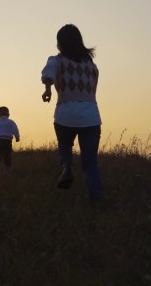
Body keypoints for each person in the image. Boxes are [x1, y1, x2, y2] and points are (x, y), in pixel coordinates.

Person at [41, 24, 103, 204]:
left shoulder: (57, 60)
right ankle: (96, 200)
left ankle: (67, 166)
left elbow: (48, 74)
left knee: (65, 145)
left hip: (65, 114)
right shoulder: (92, 66)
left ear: (61, 43)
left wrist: (48, 89)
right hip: (90, 115)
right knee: (90, 162)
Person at [0, 106, 20, 172]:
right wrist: (17, 137)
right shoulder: (11, 122)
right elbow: (15, 130)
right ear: (8, 114)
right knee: (7, 154)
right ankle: (8, 168)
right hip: (7, 140)